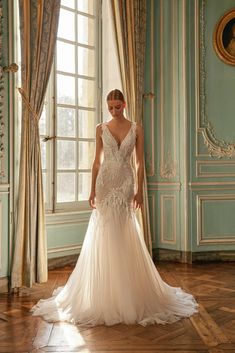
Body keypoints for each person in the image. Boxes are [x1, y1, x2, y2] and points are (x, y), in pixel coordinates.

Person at [31, 89, 198, 326]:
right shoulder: (101, 128)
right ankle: (103, 291)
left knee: (123, 231)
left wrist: (140, 191)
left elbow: (140, 163)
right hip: (105, 183)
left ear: (125, 104)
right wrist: (91, 189)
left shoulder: (136, 128)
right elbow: (96, 161)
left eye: (118, 106)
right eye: (110, 107)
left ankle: (126, 291)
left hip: (126, 182)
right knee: (104, 232)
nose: (114, 111)